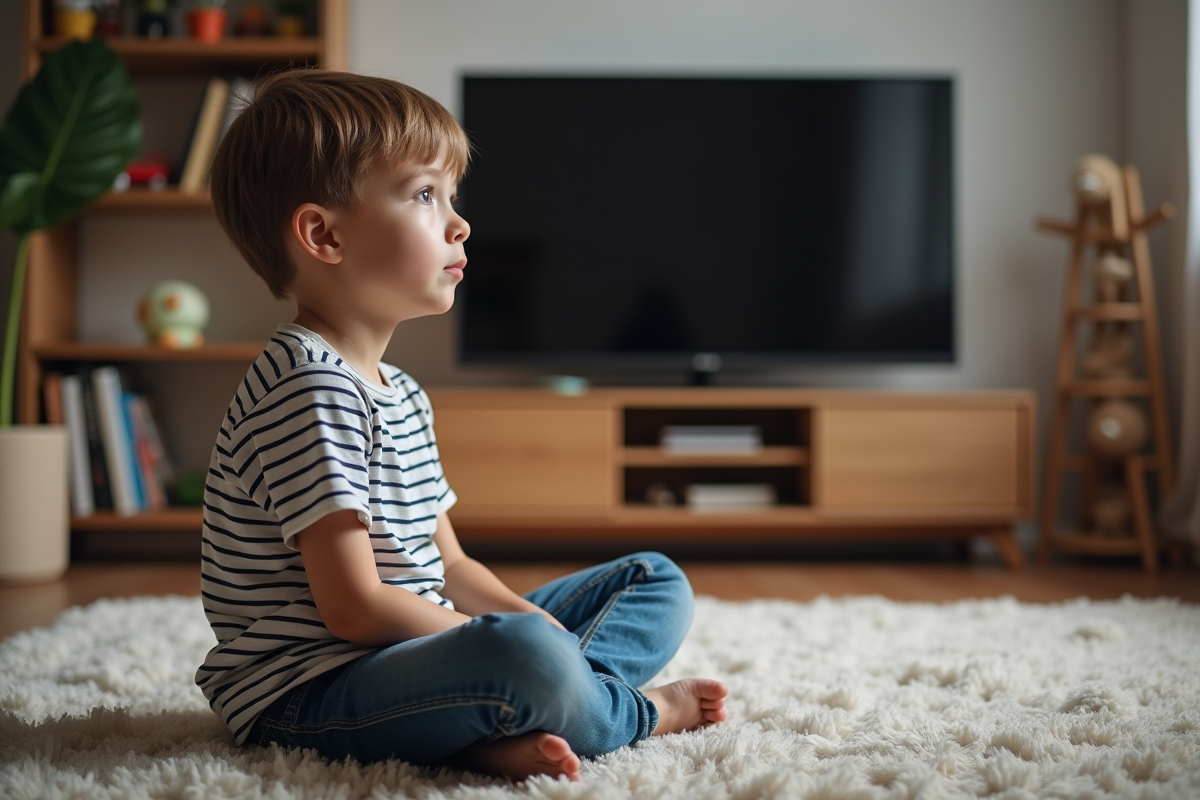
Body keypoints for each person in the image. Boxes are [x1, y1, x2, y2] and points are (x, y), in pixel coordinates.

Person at [195, 70, 727, 782]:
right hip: (312, 689)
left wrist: (538, 626)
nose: (460, 222)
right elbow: (354, 609)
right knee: (529, 656)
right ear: (324, 234)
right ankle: (629, 713)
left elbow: (450, 567)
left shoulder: (404, 394)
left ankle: (516, 710)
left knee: (653, 579)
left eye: (451, 195)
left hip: (415, 648)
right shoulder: (307, 386)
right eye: (425, 195)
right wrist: (520, 642)